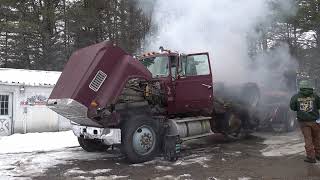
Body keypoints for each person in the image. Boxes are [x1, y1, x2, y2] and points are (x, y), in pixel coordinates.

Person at [290, 80, 320, 163]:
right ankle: (318, 155)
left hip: (303, 122)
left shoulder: (296, 96)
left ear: (301, 87)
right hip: (315, 121)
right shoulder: (315, 96)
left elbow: (292, 107)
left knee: (308, 139)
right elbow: (319, 105)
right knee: (317, 138)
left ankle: (311, 157)